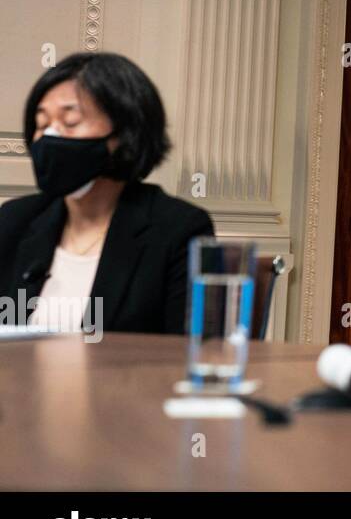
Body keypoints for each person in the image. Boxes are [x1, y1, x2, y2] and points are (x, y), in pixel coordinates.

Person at [0, 53, 213, 335]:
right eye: (41, 125)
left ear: (125, 133)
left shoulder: (178, 229)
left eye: (71, 122)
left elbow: (189, 352)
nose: (50, 136)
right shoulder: (14, 220)